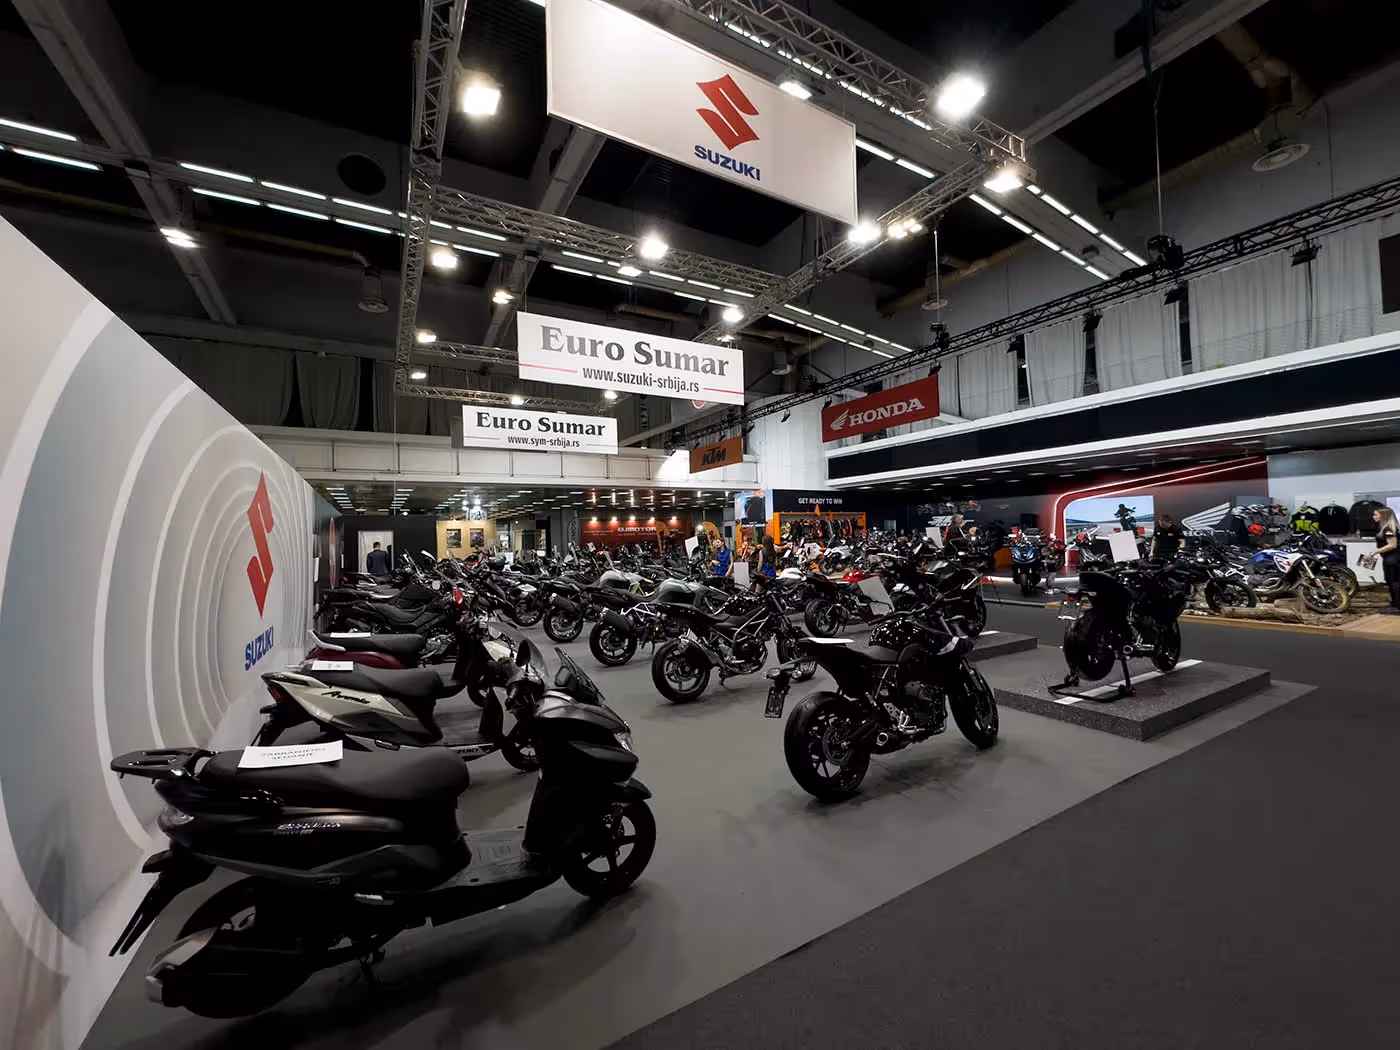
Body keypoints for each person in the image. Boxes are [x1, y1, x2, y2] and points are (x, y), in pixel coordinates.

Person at [1373, 507, 1400, 613]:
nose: (1374, 517)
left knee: (1394, 582)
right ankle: (1395, 603)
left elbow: (1392, 545)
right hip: (1392, 558)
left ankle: (1397, 606)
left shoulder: (1388, 529)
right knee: (1392, 581)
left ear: (1383, 516)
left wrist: (1375, 552)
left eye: (1376, 514)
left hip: (1393, 559)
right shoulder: (1387, 528)